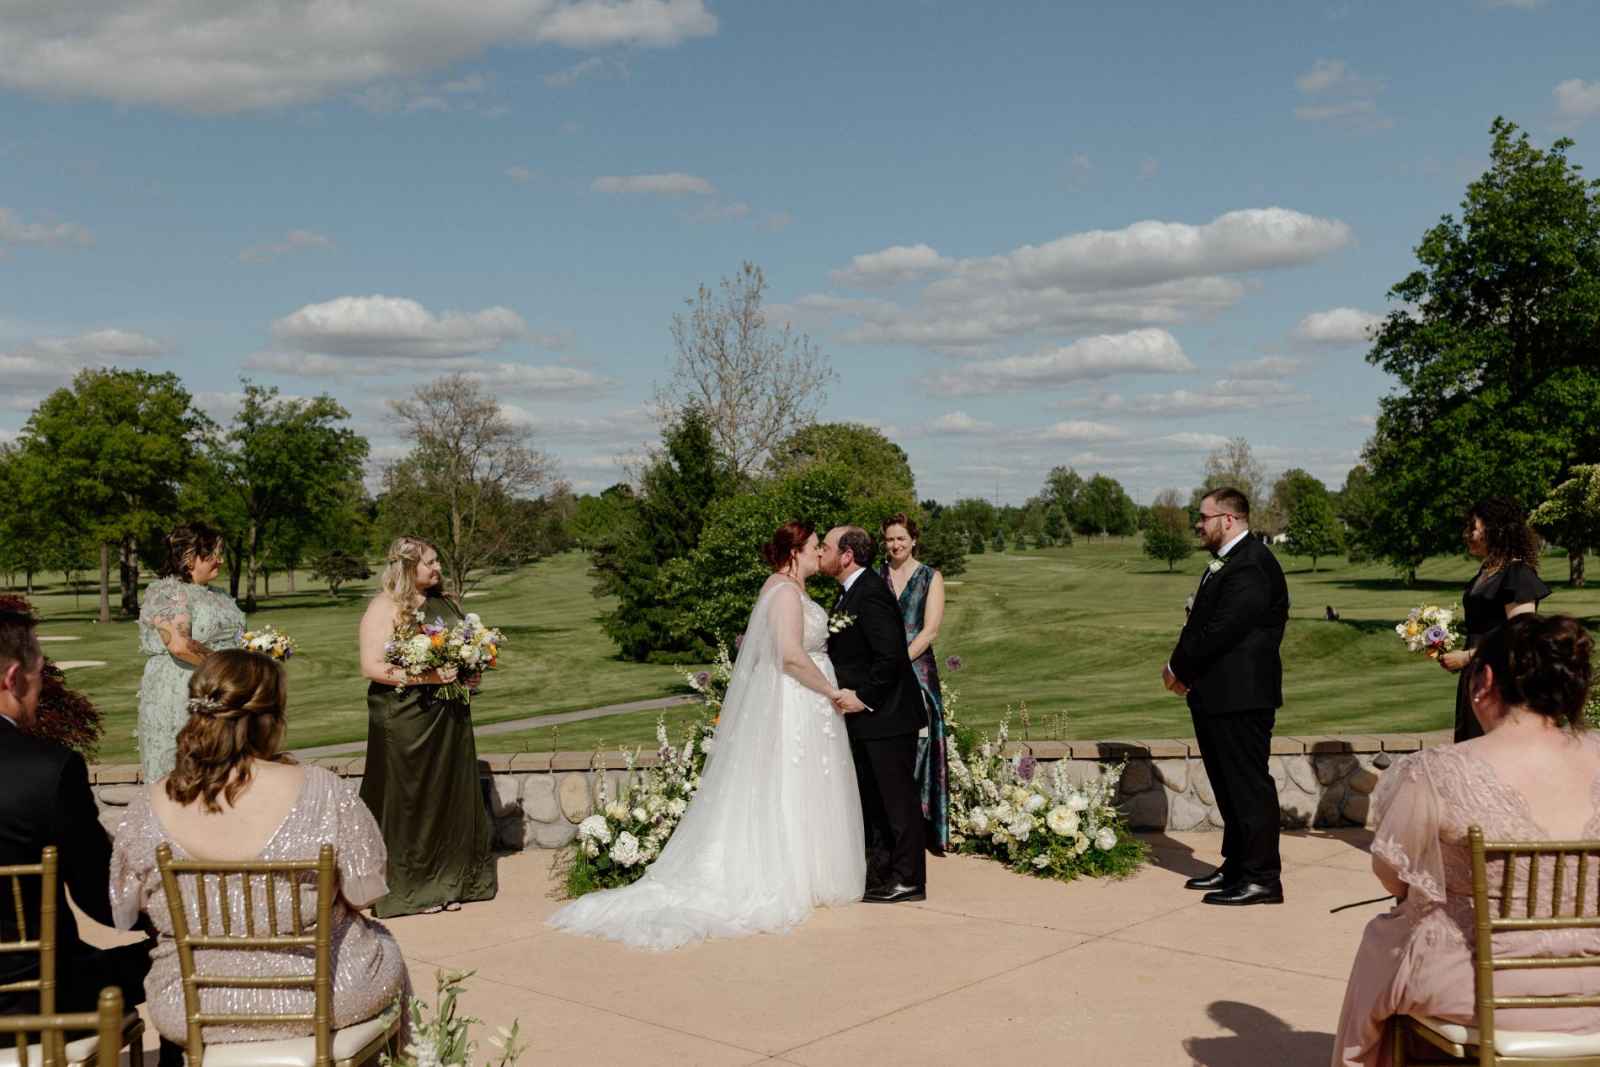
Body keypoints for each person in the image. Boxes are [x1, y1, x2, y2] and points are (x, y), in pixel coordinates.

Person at [547, 521, 865, 949]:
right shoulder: (785, 593)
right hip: (797, 699)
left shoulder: (793, 590)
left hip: (807, 703)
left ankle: (810, 871)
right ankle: (787, 873)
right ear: (794, 553)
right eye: (812, 547)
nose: (819, 553)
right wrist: (830, 690)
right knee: (789, 781)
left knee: (805, 782)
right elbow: (790, 656)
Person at [1333, 614, 1600, 1067]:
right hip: (1594, 986)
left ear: (1485, 681)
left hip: (1487, 990)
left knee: (1386, 936)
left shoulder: (1436, 771)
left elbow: (1392, 877)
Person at [111, 649, 409, 1047]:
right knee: (386, 948)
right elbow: (365, 892)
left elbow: (126, 909)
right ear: (272, 718)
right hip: (322, 995)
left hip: (192, 1003)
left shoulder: (149, 804)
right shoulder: (322, 790)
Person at [0, 606, 159, 1024]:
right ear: (13, 679)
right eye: (38, 676)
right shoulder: (49, 770)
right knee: (173, 958)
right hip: (34, 997)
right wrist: (166, 911)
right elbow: (104, 900)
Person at [1162, 487, 1290, 906]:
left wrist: (1177, 669)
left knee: (1248, 786)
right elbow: (1201, 623)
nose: (1198, 524)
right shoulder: (1227, 562)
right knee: (1228, 786)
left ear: (1228, 519)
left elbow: (1221, 631)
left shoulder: (1251, 565)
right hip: (1217, 694)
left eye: (1204, 517)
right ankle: (1237, 866)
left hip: (1242, 697)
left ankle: (1262, 877)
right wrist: (1185, 669)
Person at [357, 537, 497, 917]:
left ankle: (452, 881)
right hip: (405, 718)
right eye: (430, 563)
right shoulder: (384, 606)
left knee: (448, 796)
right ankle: (412, 889)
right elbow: (371, 666)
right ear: (407, 567)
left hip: (449, 716)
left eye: (437, 562)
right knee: (410, 801)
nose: (437, 568)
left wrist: (470, 674)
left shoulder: (446, 603)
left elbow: (463, 651)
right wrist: (429, 678)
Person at [821, 525, 928, 903]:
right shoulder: (849, 592)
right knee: (876, 801)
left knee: (898, 802)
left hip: (888, 716)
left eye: (826, 547)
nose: (820, 553)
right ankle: (881, 874)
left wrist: (863, 697)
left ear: (847, 555)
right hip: (869, 720)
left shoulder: (870, 593)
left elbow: (891, 657)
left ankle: (909, 880)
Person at [137, 522, 246, 782]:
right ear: (189, 557)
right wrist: (230, 667)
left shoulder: (220, 595)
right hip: (185, 690)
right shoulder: (168, 593)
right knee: (188, 772)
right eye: (213, 554)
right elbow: (179, 645)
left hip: (223, 689)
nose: (220, 560)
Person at [1439, 497, 1550, 743]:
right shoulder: (1486, 572)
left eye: (1473, 527)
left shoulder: (1517, 574)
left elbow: (1521, 636)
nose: (1466, 534)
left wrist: (1467, 657)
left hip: (1501, 682)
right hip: (1477, 676)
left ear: (1495, 530)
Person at [879, 513, 951, 855]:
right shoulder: (876, 575)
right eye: (890, 539)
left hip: (916, 669)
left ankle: (922, 827)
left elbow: (930, 630)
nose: (895, 545)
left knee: (922, 743)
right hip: (880, 670)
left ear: (913, 540)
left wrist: (898, 661)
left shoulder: (930, 577)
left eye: (901, 539)